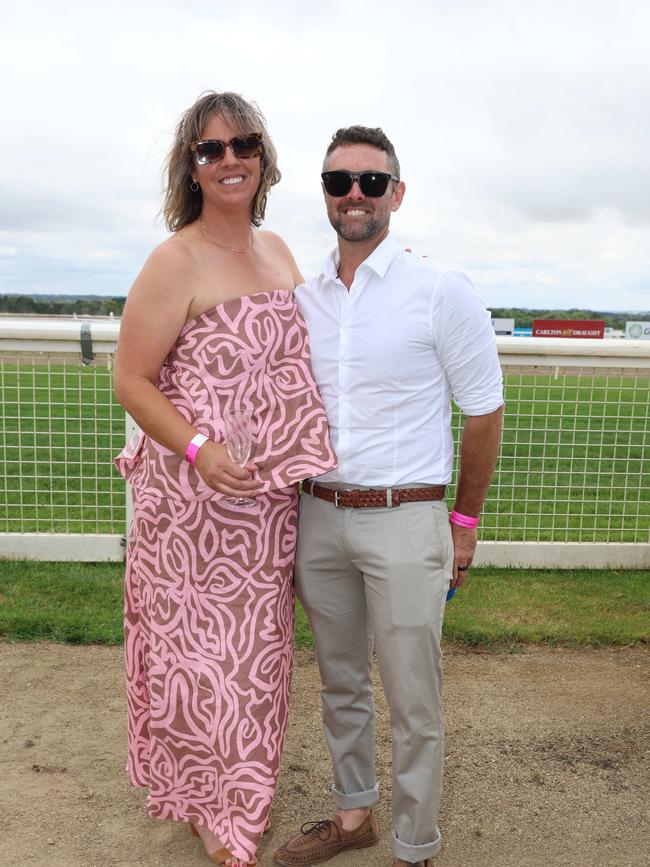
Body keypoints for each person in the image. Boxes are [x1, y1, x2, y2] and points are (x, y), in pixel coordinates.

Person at [113, 91, 336, 867]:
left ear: (263, 157)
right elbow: (132, 380)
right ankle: (216, 807)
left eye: (243, 143)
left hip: (265, 501)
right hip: (191, 505)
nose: (230, 158)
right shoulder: (175, 259)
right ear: (193, 167)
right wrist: (202, 448)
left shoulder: (278, 253)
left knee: (258, 656)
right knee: (198, 661)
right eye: (211, 149)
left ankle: (238, 793)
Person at [273, 127, 504, 867]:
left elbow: (484, 409)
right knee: (340, 682)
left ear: (397, 194)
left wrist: (463, 523)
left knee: (413, 698)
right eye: (339, 181)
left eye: (372, 182)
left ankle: (415, 844)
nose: (354, 195)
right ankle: (352, 817)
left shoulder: (440, 290)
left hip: (406, 517)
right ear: (325, 193)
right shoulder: (303, 298)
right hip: (317, 512)